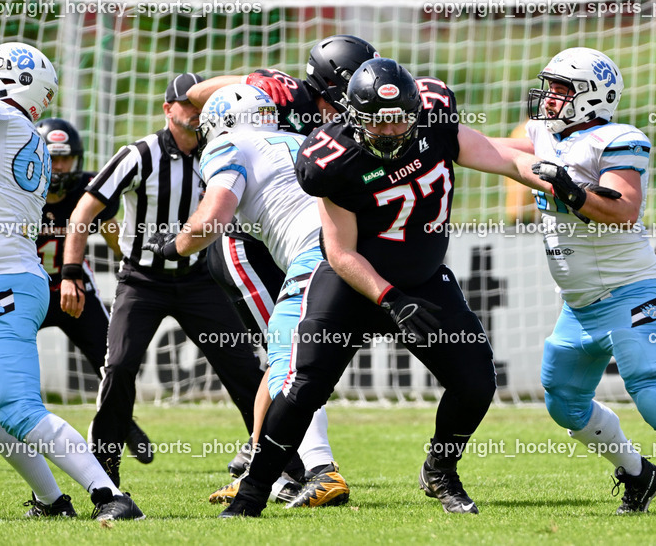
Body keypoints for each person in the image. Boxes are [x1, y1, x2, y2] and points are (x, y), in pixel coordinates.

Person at [220, 57, 549, 517]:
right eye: (380, 122)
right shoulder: (331, 159)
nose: (392, 131)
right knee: (301, 389)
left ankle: (440, 470)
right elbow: (339, 252)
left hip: (423, 279)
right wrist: (390, 299)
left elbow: (506, 157)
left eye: (400, 120)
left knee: (475, 380)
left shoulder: (435, 119)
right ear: (353, 117)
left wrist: (560, 181)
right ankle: (253, 491)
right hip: (351, 283)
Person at [500, 47, 656, 514]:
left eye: (562, 89)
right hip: (580, 303)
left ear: (591, 96)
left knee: (654, 396)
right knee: (564, 402)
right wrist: (429, 125)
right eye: (549, 87)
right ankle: (639, 473)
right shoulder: (545, 137)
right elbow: (484, 150)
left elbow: (623, 209)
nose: (550, 97)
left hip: (628, 290)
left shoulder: (619, 138)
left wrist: (569, 189)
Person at [0, 42, 142, 519]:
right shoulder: (26, 132)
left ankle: (110, 496)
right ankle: (52, 501)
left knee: (16, 407)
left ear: (12, 78)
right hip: (4, 282)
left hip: (1, 285)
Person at [185, 35, 380, 489]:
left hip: (296, 240)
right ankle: (312, 466)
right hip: (245, 239)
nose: (354, 109)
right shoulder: (281, 95)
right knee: (292, 353)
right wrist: (244, 89)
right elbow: (196, 96)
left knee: (290, 349)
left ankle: (259, 461)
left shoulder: (343, 125)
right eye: (346, 98)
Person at [145, 83, 350, 509]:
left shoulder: (229, 145)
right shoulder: (303, 139)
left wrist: (173, 245)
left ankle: (320, 470)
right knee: (284, 359)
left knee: (289, 363)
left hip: (317, 254)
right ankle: (260, 468)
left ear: (219, 122)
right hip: (358, 251)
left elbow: (212, 218)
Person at [60, 73, 264, 488]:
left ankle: (277, 464)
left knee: (245, 368)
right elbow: (84, 212)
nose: (194, 113)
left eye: (199, 105)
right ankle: (105, 469)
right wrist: (70, 273)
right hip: (143, 282)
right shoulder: (139, 154)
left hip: (202, 281)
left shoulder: (223, 150)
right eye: (185, 105)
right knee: (118, 366)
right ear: (167, 109)